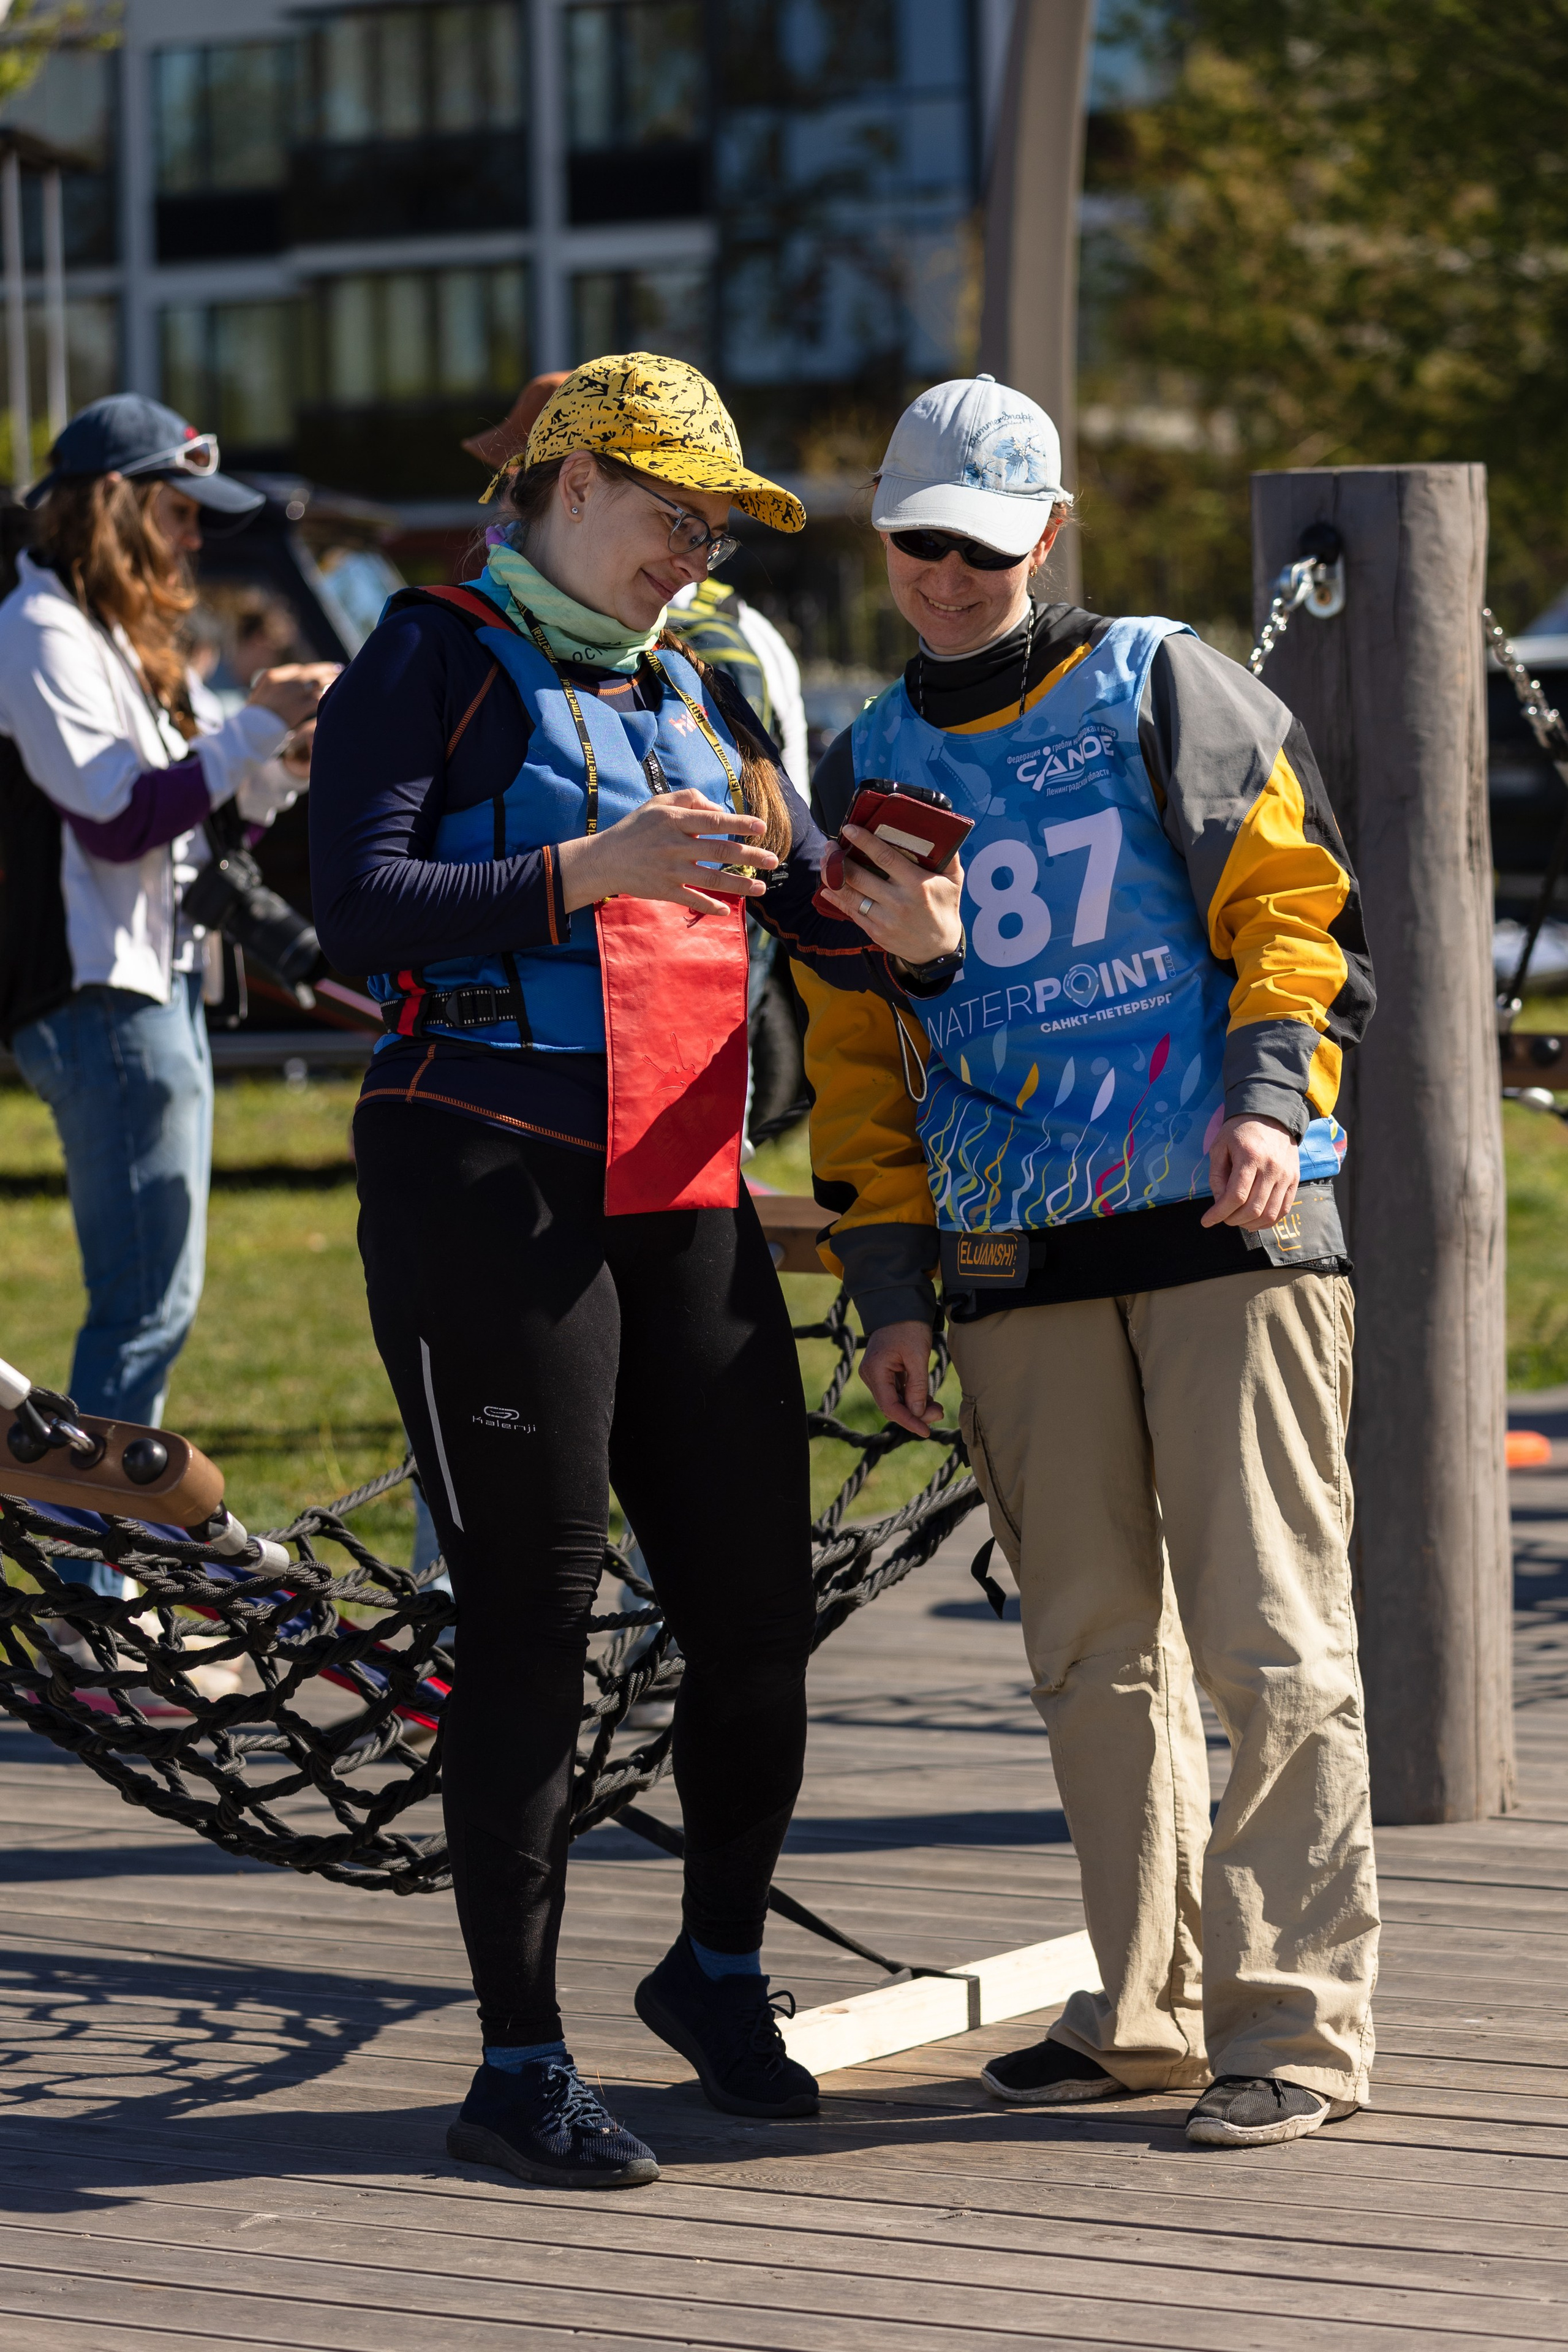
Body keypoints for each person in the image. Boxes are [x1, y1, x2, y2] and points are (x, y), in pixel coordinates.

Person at [309, 352, 963, 2192]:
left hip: (684, 1186)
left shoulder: (692, 684)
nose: (695, 552)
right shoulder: (426, 654)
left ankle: (717, 1964)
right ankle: (516, 2064)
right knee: (536, 1618)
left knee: (758, 1612)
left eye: (715, 528)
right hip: (486, 1174)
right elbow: (344, 908)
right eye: (676, 513)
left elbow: (791, 900)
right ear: (573, 479)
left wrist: (885, 919)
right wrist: (595, 863)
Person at [802, 372, 1381, 2150]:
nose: (947, 579)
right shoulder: (869, 759)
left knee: (1268, 1639)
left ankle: (1294, 2024)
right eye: (917, 545)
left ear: (1048, 534)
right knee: (1089, 1650)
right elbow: (848, 1055)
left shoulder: (1163, 679)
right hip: (1011, 1260)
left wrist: (1274, 1101)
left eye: (983, 549)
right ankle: (1141, 2010)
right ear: (883, 536)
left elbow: (1296, 912)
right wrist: (893, 1285)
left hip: (1227, 1232)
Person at [0, 394, 333, 1617]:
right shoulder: (38, 628)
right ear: (122, 506)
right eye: (182, 513)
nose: (194, 541)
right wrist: (257, 721)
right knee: (143, 1305)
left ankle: (89, 1569)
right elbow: (121, 815)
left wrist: (276, 760)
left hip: (144, 993)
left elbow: (203, 839)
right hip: (102, 1000)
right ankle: (88, 1583)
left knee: (150, 1304)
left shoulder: (101, 634)